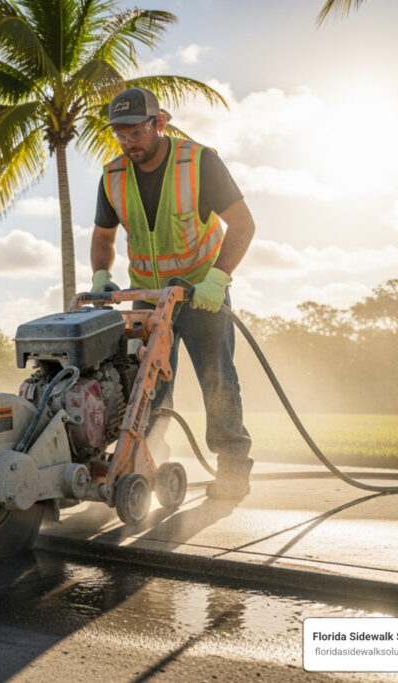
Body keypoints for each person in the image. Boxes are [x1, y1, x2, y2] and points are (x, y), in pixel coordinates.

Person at [90, 87, 255, 499]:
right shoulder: (113, 176)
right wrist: (99, 277)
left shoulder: (199, 163)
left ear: (159, 123)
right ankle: (146, 464)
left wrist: (217, 280)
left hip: (200, 293)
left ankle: (233, 469)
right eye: (120, 134)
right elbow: (103, 237)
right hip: (148, 298)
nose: (129, 142)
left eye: (136, 132)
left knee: (217, 378)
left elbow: (244, 224)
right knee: (146, 386)